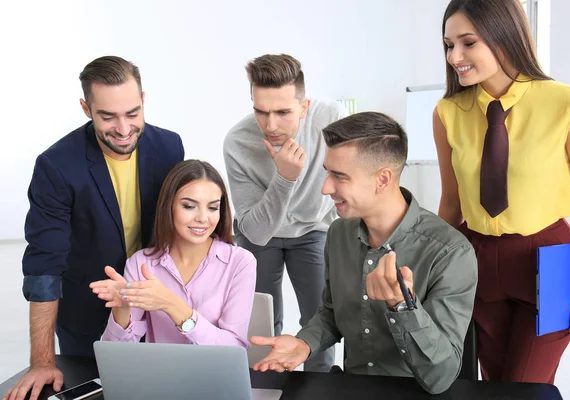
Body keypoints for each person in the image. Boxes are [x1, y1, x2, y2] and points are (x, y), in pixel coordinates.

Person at [250, 112, 478, 395]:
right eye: (327, 172)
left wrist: (402, 306)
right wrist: (304, 344)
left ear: (382, 179)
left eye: (339, 176)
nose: (325, 188)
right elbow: (333, 312)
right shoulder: (338, 233)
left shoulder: (450, 253)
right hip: (353, 389)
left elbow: (441, 376)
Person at [433, 0, 570, 384]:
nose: (454, 56)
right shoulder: (447, 112)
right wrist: (428, 270)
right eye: (448, 45)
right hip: (476, 255)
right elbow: (451, 204)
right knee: (491, 382)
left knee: (526, 386)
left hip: (549, 256)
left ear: (504, 37)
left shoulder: (569, 104)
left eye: (467, 42)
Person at [4, 56, 184, 400]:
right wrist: (42, 361)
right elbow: (44, 267)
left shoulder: (169, 147)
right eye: (108, 116)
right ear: (87, 108)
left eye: (132, 113)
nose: (123, 128)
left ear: (143, 100)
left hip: (158, 306)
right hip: (88, 316)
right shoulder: (56, 166)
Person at [223, 54, 347, 372]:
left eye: (283, 112)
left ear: (304, 107)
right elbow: (257, 230)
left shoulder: (331, 117)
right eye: (261, 112)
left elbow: (351, 176)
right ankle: (265, 388)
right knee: (261, 326)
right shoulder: (237, 142)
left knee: (319, 321)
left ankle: (319, 390)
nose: (271, 125)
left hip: (313, 229)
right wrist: (285, 177)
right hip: (259, 234)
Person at [90, 160, 257, 347]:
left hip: (215, 376)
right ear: (169, 206)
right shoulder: (141, 263)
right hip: (159, 376)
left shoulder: (240, 262)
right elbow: (117, 355)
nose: (202, 218)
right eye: (189, 206)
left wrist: (171, 304)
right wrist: (122, 309)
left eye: (212, 207)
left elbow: (234, 349)